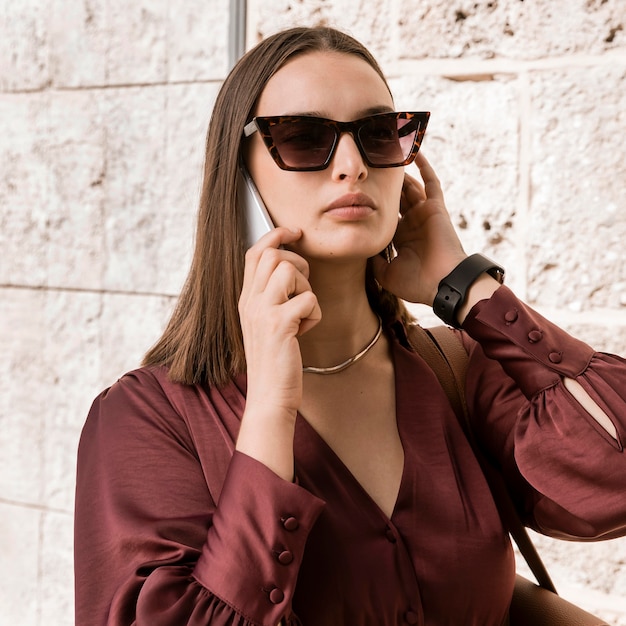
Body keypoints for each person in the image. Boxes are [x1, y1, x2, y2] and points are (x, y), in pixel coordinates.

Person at [74, 26, 626, 626]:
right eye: (305, 137)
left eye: (378, 134)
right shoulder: (147, 420)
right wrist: (269, 412)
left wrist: (469, 287)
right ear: (238, 183)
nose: (352, 166)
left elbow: (611, 477)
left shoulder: (457, 368)